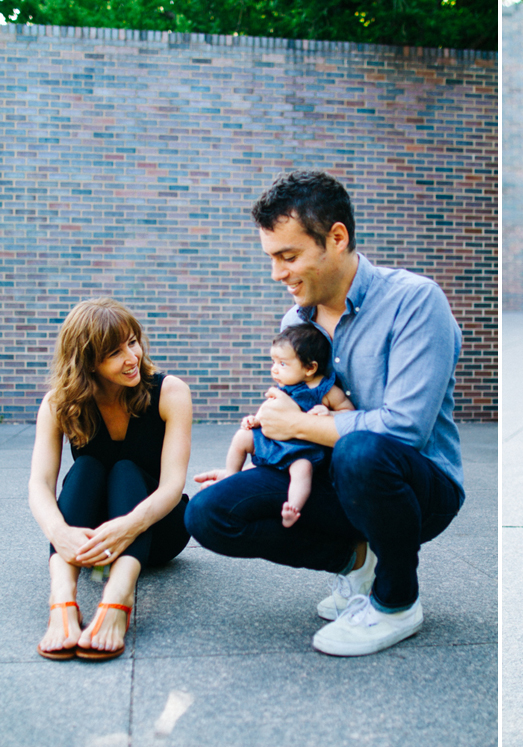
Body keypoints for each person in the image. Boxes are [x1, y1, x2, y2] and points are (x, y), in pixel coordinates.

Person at [186, 170, 465, 657]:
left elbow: (405, 427)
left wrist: (299, 424)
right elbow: (290, 416)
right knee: (210, 513)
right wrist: (259, 453)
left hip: (417, 488)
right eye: (272, 258)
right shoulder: (295, 322)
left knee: (362, 449)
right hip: (323, 476)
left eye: (288, 256)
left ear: (337, 238)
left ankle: (397, 601)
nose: (277, 273)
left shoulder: (415, 301)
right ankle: (358, 561)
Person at [29, 298, 192, 661]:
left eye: (132, 342)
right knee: (86, 468)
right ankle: (63, 600)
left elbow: (172, 486)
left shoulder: (170, 392)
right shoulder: (59, 403)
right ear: (87, 360)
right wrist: (61, 533)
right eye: (114, 352)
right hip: (92, 539)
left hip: (158, 531)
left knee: (125, 469)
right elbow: (39, 485)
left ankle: (119, 597)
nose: (132, 357)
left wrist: (129, 526)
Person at [222, 325, 354, 528]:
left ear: (310, 368)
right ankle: (230, 477)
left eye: (282, 363)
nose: (274, 368)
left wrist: (330, 413)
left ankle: (293, 507)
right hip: (274, 441)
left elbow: (349, 412)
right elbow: (269, 409)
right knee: (242, 437)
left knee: (303, 471)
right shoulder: (284, 386)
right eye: (273, 362)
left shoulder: (325, 390)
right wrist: (255, 420)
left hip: (302, 449)